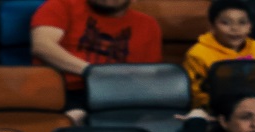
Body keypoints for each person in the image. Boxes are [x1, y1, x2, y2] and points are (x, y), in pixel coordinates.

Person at [30, 0, 163, 117]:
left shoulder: (148, 24)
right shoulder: (61, 5)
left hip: (119, 93)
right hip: (65, 89)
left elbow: (147, 75)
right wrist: (92, 71)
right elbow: (42, 46)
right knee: (76, 115)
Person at [183, 0, 255, 110]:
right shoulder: (197, 54)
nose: (235, 28)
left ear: (250, 26)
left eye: (242, 22)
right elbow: (197, 95)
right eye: (226, 23)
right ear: (212, 26)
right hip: (216, 110)